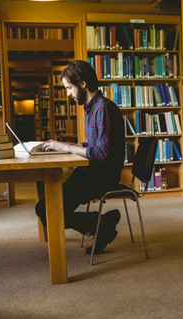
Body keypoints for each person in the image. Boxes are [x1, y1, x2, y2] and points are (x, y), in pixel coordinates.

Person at [35, 60, 125, 255]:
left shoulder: (103, 109)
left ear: (82, 84)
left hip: (102, 177)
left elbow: (101, 153)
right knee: (46, 206)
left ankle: (100, 224)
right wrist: (69, 148)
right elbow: (95, 144)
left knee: (46, 209)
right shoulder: (91, 108)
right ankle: (101, 225)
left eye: (69, 87)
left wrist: (65, 146)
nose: (68, 93)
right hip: (91, 173)